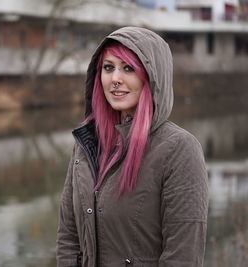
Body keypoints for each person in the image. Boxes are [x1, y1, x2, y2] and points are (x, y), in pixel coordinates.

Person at [56, 27, 209, 267]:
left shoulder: (179, 149)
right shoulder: (87, 144)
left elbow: (183, 257)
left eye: (128, 68)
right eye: (108, 67)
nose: (115, 78)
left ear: (152, 76)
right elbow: (69, 237)